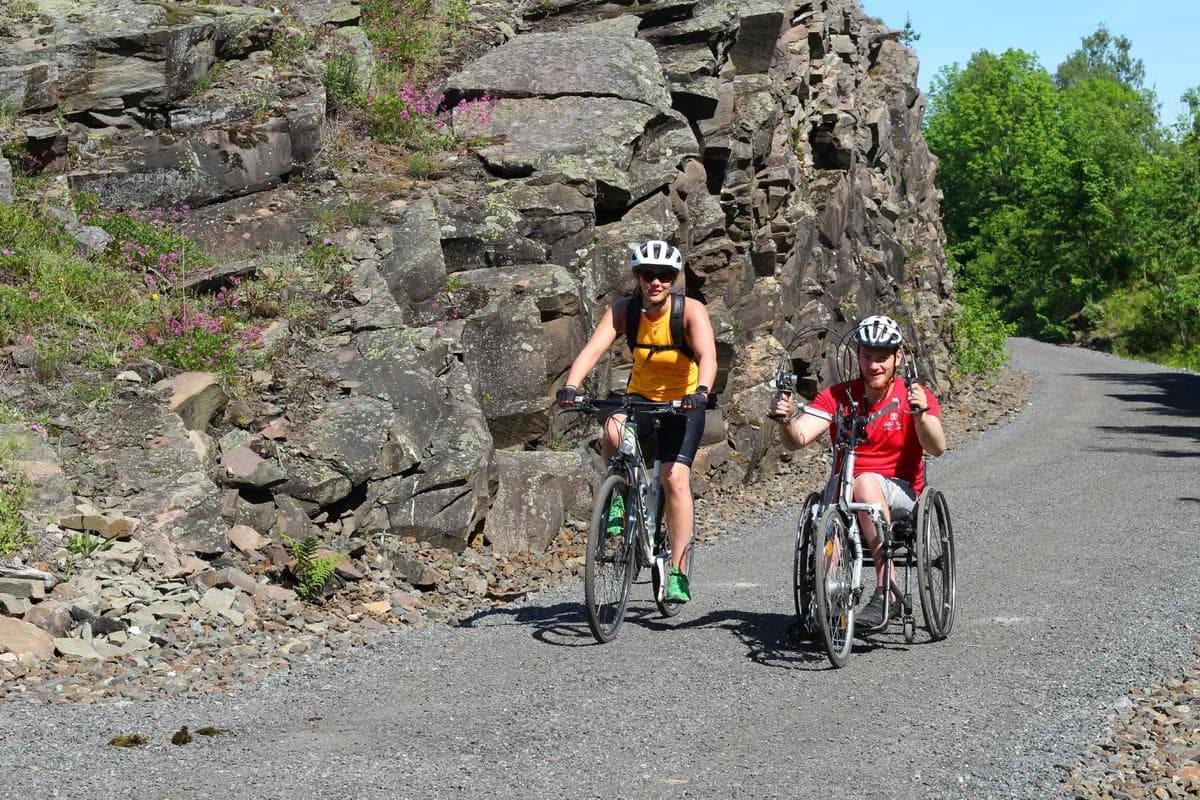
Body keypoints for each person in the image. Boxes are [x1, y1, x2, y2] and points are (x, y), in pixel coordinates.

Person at [556, 240, 717, 604]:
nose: (655, 282)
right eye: (648, 275)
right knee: (612, 428)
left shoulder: (690, 311)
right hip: (641, 398)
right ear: (638, 277)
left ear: (674, 279)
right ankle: (621, 495)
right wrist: (571, 386)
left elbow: (708, 355)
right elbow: (593, 350)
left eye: (664, 276)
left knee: (674, 478)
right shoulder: (624, 310)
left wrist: (702, 391)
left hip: (684, 403)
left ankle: (678, 571)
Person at [769, 314, 946, 628]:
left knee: (863, 484)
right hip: (844, 489)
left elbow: (936, 447)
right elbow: (798, 438)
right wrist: (786, 420)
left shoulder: (913, 396)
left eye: (882, 358)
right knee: (833, 502)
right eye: (867, 357)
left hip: (899, 491)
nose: (874, 366)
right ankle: (829, 598)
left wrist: (920, 417)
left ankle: (887, 590)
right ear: (857, 356)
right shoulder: (838, 397)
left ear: (897, 358)